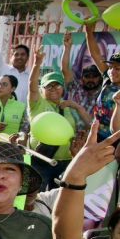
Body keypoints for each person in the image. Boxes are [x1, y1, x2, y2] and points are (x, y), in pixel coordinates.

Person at [27, 51, 92, 186]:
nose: (53, 89)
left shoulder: (68, 105)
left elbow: (90, 125)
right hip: (41, 160)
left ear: (62, 88)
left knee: (58, 200)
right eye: (49, 86)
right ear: (42, 88)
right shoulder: (38, 103)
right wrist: (36, 64)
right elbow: (32, 86)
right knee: (34, 198)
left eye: (57, 85)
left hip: (66, 161)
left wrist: (77, 107)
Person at [0, 17, 32, 103]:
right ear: (11, 56)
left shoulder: (31, 76)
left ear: (27, 57)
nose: (19, 57)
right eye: (16, 54)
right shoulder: (2, 68)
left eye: (23, 55)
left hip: (20, 115)